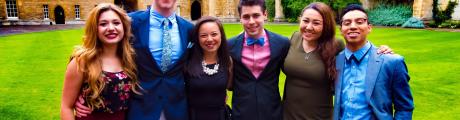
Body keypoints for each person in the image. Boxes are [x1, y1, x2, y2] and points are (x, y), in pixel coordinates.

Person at [75, 0, 194, 120]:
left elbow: (198, 63)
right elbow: (95, 49)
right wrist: (79, 94)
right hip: (140, 108)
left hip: (176, 108)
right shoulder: (129, 22)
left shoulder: (189, 28)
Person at [282, 2, 394, 120]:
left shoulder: (335, 45)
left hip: (319, 115)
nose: (309, 27)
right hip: (288, 114)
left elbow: (358, 54)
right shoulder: (294, 38)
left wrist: (380, 50)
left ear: (326, 25)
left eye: (316, 23)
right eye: (305, 21)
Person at [61, 3, 141, 120]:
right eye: (103, 24)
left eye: (116, 23)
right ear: (95, 29)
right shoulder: (82, 61)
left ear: (123, 27)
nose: (111, 28)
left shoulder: (129, 59)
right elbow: (66, 107)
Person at [333, 4, 414, 120]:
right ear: (341, 30)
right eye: (347, 23)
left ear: (369, 27)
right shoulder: (336, 61)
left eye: (359, 22)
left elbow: (404, 108)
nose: (353, 26)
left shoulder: (391, 62)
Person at [227, 0, 290, 119]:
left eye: (256, 15)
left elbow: (292, 73)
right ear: (240, 18)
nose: (251, 21)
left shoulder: (282, 43)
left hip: (272, 113)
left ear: (265, 15)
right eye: (246, 17)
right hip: (241, 113)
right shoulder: (229, 45)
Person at [184, 16, 233, 120]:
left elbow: (230, 87)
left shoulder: (228, 62)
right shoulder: (187, 61)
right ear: (197, 38)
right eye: (203, 35)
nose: (209, 39)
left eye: (214, 34)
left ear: (221, 36)